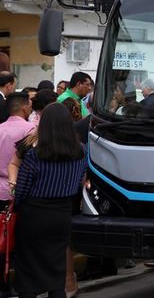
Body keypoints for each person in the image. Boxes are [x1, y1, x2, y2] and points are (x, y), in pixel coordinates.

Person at [11, 103, 87, 298]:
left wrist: (16, 203)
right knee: (57, 268)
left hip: (33, 214)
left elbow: (22, 189)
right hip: (62, 214)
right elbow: (80, 180)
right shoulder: (80, 151)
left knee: (28, 267)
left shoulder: (35, 154)